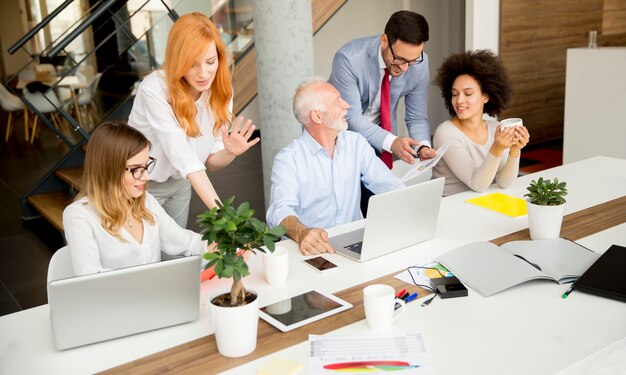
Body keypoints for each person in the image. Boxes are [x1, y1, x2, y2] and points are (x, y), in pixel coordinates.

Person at [128, 12, 259, 228]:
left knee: (176, 255)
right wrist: (224, 217)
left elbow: (211, 162)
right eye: (192, 64)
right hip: (142, 185)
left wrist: (230, 152)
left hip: (180, 184)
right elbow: (185, 159)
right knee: (147, 257)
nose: (203, 73)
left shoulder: (220, 92)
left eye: (210, 61)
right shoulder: (155, 90)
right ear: (177, 62)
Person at [266, 78, 404, 256]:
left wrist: (417, 206)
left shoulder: (356, 143)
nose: (347, 105)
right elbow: (279, 210)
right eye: (338, 101)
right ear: (317, 116)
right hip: (312, 249)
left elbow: (389, 186)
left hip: (357, 243)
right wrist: (302, 233)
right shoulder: (288, 159)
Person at [63, 121, 211, 276]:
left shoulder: (145, 201)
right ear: (109, 170)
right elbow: (89, 278)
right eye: (136, 169)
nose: (146, 176)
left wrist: (228, 246)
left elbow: (186, 243)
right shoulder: (79, 215)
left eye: (146, 166)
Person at [328, 10, 437, 165]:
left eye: (412, 60)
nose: (405, 68)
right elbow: (352, 118)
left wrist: (422, 147)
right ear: (384, 41)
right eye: (400, 59)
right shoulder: (349, 59)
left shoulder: (419, 64)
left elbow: (417, 117)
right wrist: (392, 142)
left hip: (380, 142)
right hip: (338, 140)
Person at [431, 50, 530, 196]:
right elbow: (477, 184)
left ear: (486, 96)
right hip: (449, 205)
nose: (459, 100)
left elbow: (504, 183)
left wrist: (515, 151)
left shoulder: (495, 128)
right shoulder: (446, 133)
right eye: (454, 94)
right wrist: (497, 148)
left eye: (468, 93)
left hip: (481, 202)